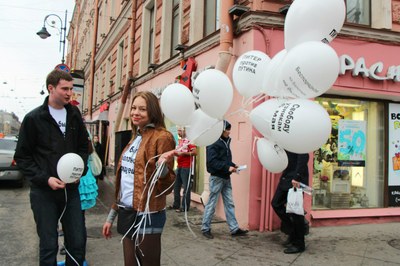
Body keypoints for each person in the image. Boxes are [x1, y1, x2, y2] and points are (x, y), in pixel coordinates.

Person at [14, 69, 89, 265]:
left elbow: (83, 148)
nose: (69, 93)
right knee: (48, 245)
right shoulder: (34, 118)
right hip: (43, 193)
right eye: (64, 88)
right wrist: (45, 179)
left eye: (71, 89)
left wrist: (80, 171)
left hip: (71, 191)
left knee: (77, 242)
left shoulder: (74, 115)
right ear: (50, 88)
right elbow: (22, 157)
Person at [102, 91, 176, 266]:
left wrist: (162, 167)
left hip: (148, 214)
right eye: (134, 108)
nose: (135, 112)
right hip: (127, 212)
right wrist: (111, 216)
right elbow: (126, 182)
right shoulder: (136, 137)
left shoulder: (162, 137)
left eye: (142, 109)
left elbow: (168, 186)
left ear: (152, 112)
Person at [201, 120, 248, 239]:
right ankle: (205, 228)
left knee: (229, 203)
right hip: (217, 178)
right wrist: (228, 167)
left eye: (229, 129)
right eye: (227, 129)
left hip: (226, 177)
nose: (229, 132)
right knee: (211, 204)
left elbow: (224, 159)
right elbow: (211, 162)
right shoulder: (213, 142)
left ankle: (234, 228)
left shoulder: (225, 141)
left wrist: (233, 165)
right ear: (221, 130)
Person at [271, 151, 309, 254]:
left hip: (296, 179)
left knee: (296, 212)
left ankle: (299, 244)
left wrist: (297, 177)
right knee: (276, 203)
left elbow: (304, 156)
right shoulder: (284, 137)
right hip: (286, 176)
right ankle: (293, 231)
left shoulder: (299, 138)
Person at [170, 127, 197, 212]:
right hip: (179, 166)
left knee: (186, 188)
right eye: (178, 131)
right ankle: (176, 204)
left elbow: (195, 153)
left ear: (185, 131)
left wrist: (183, 153)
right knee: (176, 186)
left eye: (180, 131)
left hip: (186, 166)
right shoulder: (180, 141)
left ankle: (184, 207)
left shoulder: (190, 140)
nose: (178, 133)